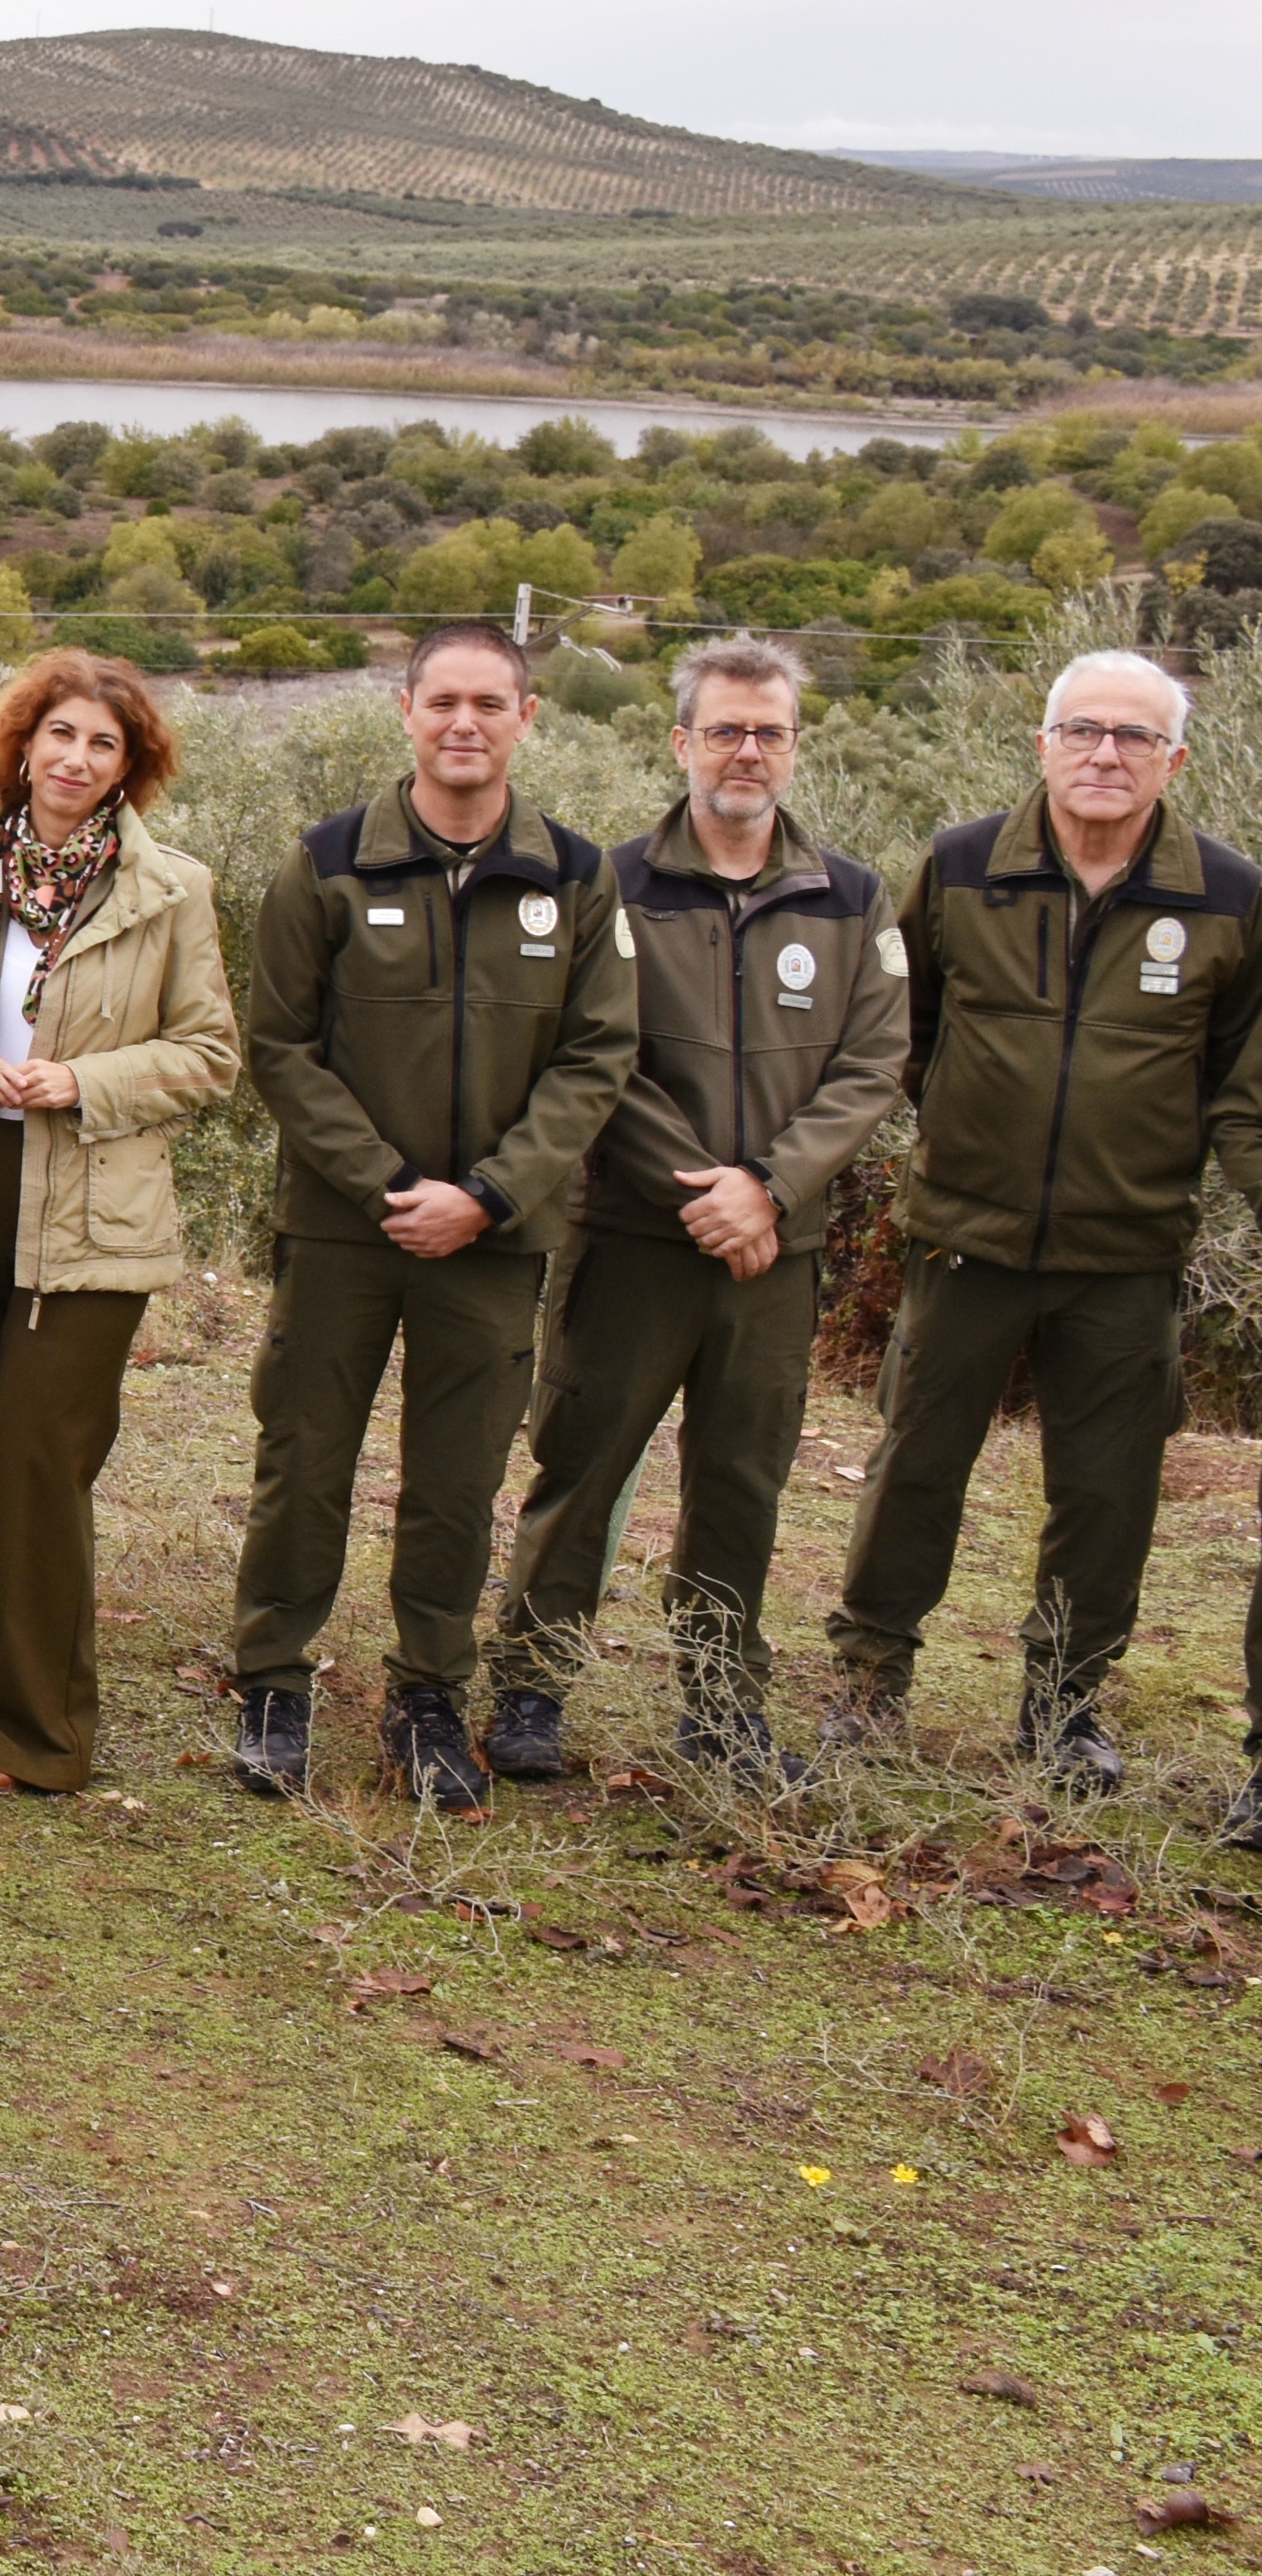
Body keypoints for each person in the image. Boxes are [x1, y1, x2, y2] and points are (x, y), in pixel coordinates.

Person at [825, 649, 1262, 1806]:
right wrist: (969, 1139)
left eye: (1132, 738)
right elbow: (894, 1029)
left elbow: (1238, 1083)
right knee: (915, 1463)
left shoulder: (1228, 894)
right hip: (965, 1235)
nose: (1104, 755)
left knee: (1107, 1491)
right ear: (1043, 746)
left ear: (1175, 759)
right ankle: (868, 1681)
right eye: (1082, 731)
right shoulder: (963, 867)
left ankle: (1065, 1706)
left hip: (1127, 1254)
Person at [474, 639, 902, 1785]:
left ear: (795, 747)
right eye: (724, 729)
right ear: (681, 743)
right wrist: (706, 1188)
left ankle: (721, 1704)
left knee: (742, 1479)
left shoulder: (852, 897)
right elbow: (597, 1058)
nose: (746, 751)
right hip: (633, 1241)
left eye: (768, 731)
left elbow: (871, 1065)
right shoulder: (612, 882)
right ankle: (530, 1686)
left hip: (776, 1249)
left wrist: (768, 1188)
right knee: (582, 1464)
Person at [233, 621, 636, 1815]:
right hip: (346, 1231)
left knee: (456, 1480)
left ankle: (426, 1697)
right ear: (404, 711)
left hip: (493, 1241)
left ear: (527, 720)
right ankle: (270, 1683)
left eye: (490, 704)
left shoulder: (575, 873)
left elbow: (597, 1053)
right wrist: (386, 1186)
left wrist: (491, 1194)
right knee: (303, 1461)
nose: (465, 724)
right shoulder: (327, 862)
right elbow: (280, 1048)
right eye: (443, 701)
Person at [0, 650, 235, 1796]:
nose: (77, 760)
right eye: (61, 736)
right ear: (22, 744)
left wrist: (82, 1083)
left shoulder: (169, 891)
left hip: (89, 1220)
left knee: (38, 1461)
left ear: (131, 767)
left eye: (105, 744)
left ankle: (20, 1729)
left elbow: (207, 1054)